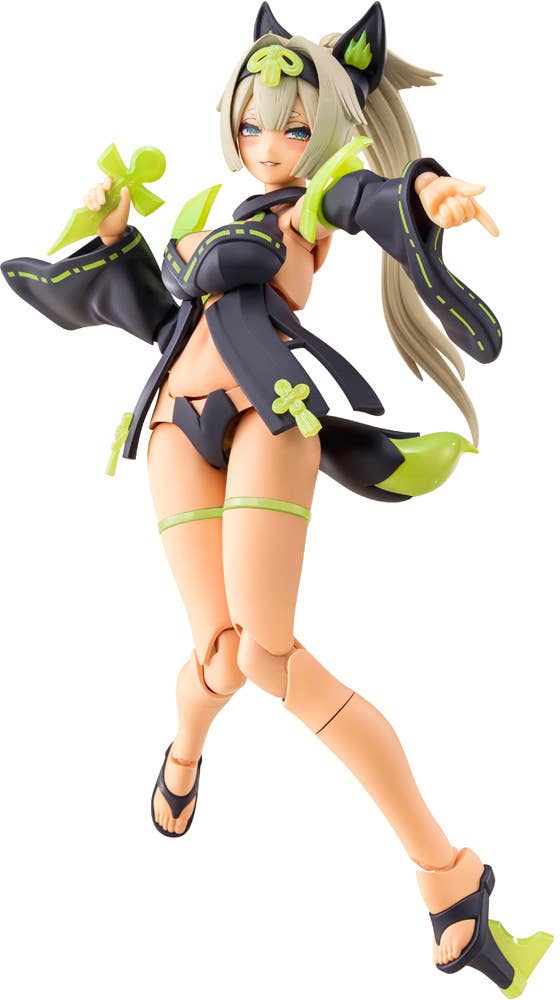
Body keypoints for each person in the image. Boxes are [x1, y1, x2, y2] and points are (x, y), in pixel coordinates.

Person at [2, 3, 551, 994]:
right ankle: (184, 749)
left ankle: (448, 879)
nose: (270, 144)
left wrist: (428, 195)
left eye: (295, 126)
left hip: (268, 410)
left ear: (328, 127)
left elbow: (372, 197)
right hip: (173, 421)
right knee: (218, 655)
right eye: (255, 124)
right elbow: (167, 312)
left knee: (267, 654)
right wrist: (117, 234)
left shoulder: (314, 200)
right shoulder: (208, 210)